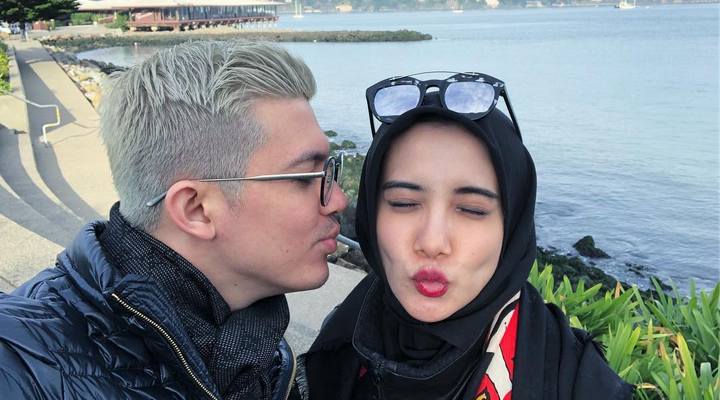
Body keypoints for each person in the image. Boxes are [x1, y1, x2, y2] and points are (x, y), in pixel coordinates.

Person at [0, 41, 347, 399]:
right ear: (196, 210)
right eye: (305, 177)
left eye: (330, 170)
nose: (339, 199)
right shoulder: (17, 367)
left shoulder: (255, 349)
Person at [301, 72, 634, 399]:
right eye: (404, 203)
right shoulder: (340, 342)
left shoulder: (575, 381)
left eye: (472, 210)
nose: (432, 243)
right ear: (372, 213)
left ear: (512, 227)